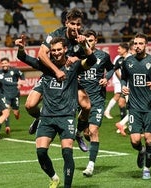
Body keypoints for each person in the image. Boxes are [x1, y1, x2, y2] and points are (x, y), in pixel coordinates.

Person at [16, 35, 97, 188]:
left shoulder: (73, 66)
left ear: (65, 49)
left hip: (66, 117)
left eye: (59, 49)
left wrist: (85, 46)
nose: (56, 53)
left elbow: (91, 61)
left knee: (67, 153)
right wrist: (20, 48)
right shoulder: (45, 66)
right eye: (53, 50)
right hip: (47, 117)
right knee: (41, 153)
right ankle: (54, 177)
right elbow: (24, 58)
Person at [27, 8, 90, 152]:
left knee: (86, 106)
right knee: (30, 106)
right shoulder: (55, 34)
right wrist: (55, 71)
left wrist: (79, 56)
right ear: (66, 23)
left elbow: (90, 59)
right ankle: (40, 118)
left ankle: (78, 132)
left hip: (70, 79)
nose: (75, 27)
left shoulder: (82, 38)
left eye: (78, 24)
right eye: (72, 23)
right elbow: (41, 54)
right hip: (50, 75)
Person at [120, 33, 151, 179]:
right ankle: (141, 151)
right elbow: (123, 78)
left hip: (150, 107)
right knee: (135, 140)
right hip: (134, 106)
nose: (138, 46)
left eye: (141, 43)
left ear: (146, 45)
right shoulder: (128, 62)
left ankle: (147, 168)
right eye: (136, 43)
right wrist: (123, 87)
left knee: (149, 139)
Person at [78, 30, 114, 177]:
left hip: (98, 99)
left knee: (93, 132)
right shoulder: (77, 55)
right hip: (81, 98)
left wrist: (107, 78)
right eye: (86, 40)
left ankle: (91, 166)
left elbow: (111, 69)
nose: (88, 43)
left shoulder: (103, 56)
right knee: (87, 133)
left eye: (91, 40)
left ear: (96, 41)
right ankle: (79, 132)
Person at [0, 57, 25, 134]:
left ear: (9, 63)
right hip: (5, 95)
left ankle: (17, 113)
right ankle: (7, 126)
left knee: (16, 113)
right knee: (6, 111)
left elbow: (22, 75)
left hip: (15, 94)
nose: (4, 65)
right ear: (1, 64)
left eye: (5, 63)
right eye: (3, 63)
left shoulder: (14, 70)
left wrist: (20, 83)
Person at [104, 42, 129, 120]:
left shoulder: (131, 58)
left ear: (125, 49)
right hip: (123, 83)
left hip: (131, 85)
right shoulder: (119, 59)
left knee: (130, 105)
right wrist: (106, 78)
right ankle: (123, 124)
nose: (117, 50)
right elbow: (113, 69)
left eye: (119, 48)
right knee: (121, 103)